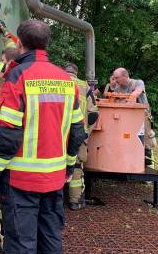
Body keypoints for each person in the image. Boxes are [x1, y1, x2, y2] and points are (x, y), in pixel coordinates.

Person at [0, 20, 86, 253]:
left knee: (21, 243)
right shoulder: (67, 80)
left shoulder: (18, 76)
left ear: (20, 44)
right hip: (55, 178)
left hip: (21, 181)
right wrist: (69, 167)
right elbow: (78, 132)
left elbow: (8, 135)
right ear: (46, 43)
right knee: (51, 239)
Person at [63, 62, 99, 210]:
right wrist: (86, 133)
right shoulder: (85, 86)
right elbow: (93, 114)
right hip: (78, 133)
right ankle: (75, 201)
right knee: (76, 166)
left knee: (55, 165)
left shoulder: (56, 82)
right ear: (76, 73)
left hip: (59, 134)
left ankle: (55, 201)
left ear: (64, 71)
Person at [112, 68, 155, 167]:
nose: (115, 80)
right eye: (114, 78)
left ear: (125, 76)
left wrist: (128, 98)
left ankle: (149, 169)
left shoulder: (138, 83)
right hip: (126, 119)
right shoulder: (117, 88)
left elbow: (137, 92)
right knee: (128, 142)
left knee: (146, 143)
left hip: (142, 118)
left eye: (117, 78)